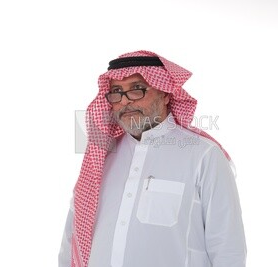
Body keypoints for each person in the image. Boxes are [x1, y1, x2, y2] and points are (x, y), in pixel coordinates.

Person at [59, 50, 247, 267]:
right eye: (116, 91)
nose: (125, 101)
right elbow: (71, 240)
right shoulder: (100, 159)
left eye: (137, 89)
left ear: (166, 93)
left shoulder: (203, 155)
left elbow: (228, 249)